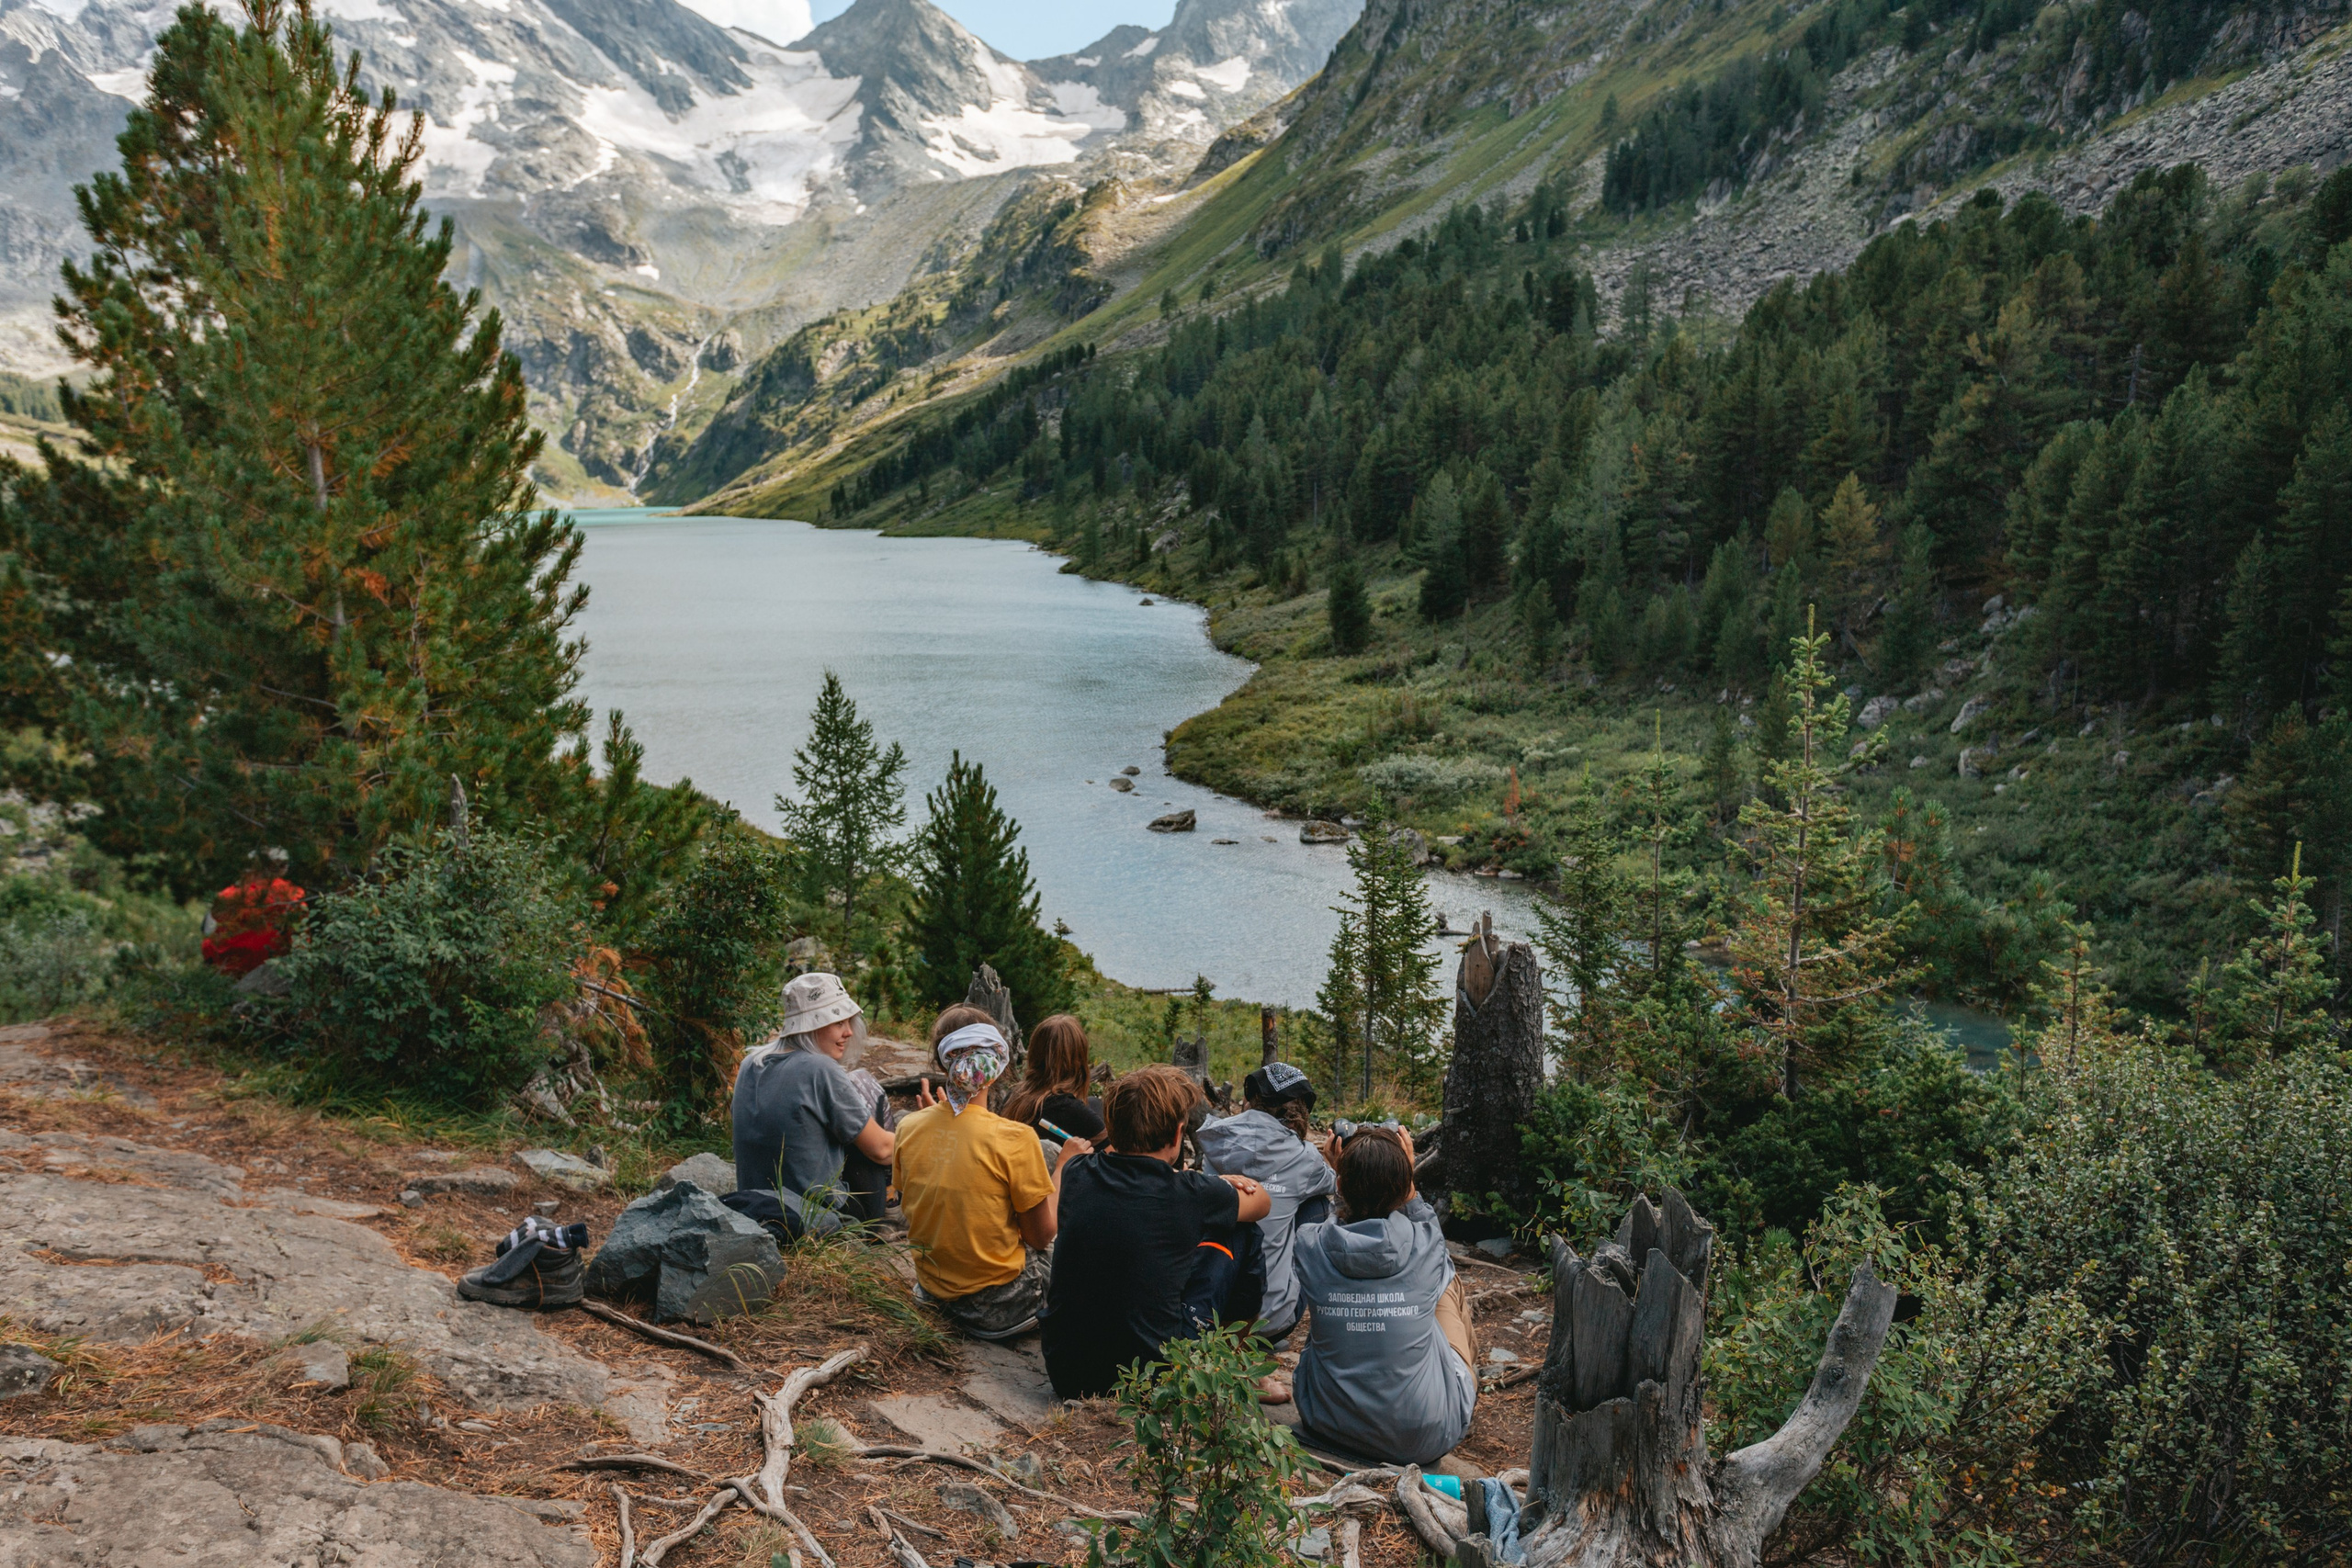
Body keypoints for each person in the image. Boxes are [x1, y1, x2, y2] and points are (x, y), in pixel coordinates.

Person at [1042, 1064, 1272, 1399]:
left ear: (1112, 1127)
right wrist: (1220, 1184)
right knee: (1245, 1233)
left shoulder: (1078, 1171)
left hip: (1067, 1372)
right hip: (1151, 1382)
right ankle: (1233, 1367)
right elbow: (1262, 1203)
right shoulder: (1189, 1192)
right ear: (1179, 1135)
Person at [893, 1006, 1091, 1338]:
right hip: (1000, 1307)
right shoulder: (1015, 1138)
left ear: (943, 1062)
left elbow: (911, 1202)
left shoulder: (908, 1126)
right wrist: (1064, 1170)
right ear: (998, 1067)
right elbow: (1040, 1237)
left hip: (931, 1291)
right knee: (1078, 1247)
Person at [1291, 1125, 1476, 1466]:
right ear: (1405, 1185)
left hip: (1327, 1422)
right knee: (1447, 1283)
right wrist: (1404, 1173)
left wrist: (1342, 1178)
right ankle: (1444, 1385)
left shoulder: (1308, 1243)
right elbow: (1420, 1216)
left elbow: (1336, 1226)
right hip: (1423, 1436)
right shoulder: (1427, 1244)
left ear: (1341, 1184)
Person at [730, 972, 896, 1235]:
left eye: (847, 1021)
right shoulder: (819, 1069)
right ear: (812, 1025)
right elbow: (882, 1151)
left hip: (758, 1206)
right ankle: (890, 1207)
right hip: (819, 1217)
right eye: (838, 1022)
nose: (848, 1031)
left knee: (852, 1085)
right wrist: (923, 1133)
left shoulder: (751, 1063)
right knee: (863, 1082)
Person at [1194, 1061, 1338, 1349]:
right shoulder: (1305, 1157)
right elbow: (1336, 1184)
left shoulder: (1215, 1139)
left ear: (1249, 1099)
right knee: (1317, 1205)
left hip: (1212, 1314)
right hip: (1273, 1324)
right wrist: (1334, 1161)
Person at [1000, 1013, 1106, 1145]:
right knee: (1094, 1103)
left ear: (1034, 1053)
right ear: (1079, 1058)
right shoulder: (1068, 1108)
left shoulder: (1014, 1096)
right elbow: (1115, 1159)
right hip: (1055, 1164)